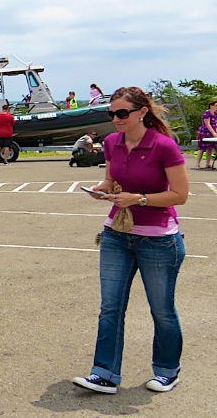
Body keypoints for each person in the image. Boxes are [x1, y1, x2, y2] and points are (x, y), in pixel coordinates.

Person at [73, 86, 189, 394]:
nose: (115, 119)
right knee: (110, 307)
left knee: (162, 309)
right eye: (111, 114)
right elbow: (111, 180)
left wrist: (139, 200)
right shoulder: (112, 142)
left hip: (159, 240)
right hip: (117, 234)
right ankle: (105, 373)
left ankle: (167, 371)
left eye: (122, 113)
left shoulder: (164, 146)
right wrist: (101, 189)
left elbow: (180, 195)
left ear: (142, 112)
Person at [195, 99, 217, 170]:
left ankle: (208, 163)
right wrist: (213, 132)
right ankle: (197, 164)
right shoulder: (207, 113)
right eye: (216, 105)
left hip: (212, 132)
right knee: (202, 148)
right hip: (204, 132)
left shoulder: (215, 113)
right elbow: (207, 124)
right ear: (211, 105)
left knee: (210, 148)